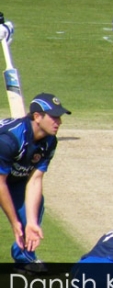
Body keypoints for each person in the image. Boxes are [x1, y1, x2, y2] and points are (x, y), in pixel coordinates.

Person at [0, 93, 71, 273]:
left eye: (59, 117)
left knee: (35, 207)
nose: (59, 122)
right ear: (37, 117)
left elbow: (35, 179)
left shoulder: (49, 142)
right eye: (54, 117)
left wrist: (30, 222)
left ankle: (25, 258)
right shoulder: (10, 139)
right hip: (2, 179)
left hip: (14, 180)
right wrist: (15, 222)